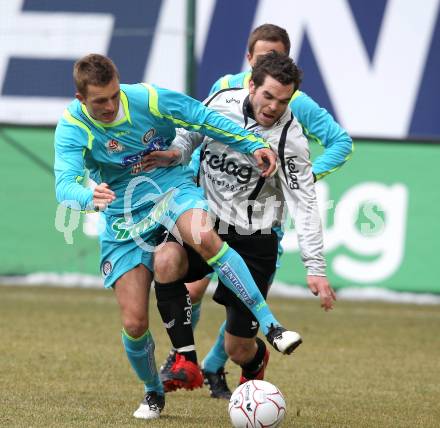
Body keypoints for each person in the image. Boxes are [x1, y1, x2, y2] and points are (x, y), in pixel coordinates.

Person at [53, 54, 303, 419]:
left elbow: (202, 119)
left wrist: (252, 144)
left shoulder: (148, 99)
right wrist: (87, 196)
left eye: (113, 96)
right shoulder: (72, 126)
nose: (109, 106)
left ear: (119, 85)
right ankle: (154, 391)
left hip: (169, 187)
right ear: (80, 99)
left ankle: (272, 326)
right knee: (134, 323)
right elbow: (64, 185)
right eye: (98, 101)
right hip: (123, 213)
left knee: (203, 235)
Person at [156, 23, 353, 399]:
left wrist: (316, 268)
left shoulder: (290, 141)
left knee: (238, 347)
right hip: (205, 219)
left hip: (253, 238)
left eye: (283, 101)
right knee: (167, 260)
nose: (273, 107)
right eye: (268, 97)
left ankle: (253, 359)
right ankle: (184, 359)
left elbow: (305, 204)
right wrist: (174, 153)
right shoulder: (220, 100)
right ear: (250, 83)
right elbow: (190, 137)